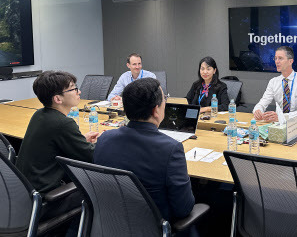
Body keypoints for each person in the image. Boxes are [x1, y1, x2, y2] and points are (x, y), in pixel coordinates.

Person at [94, 78, 195, 222]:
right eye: (164, 99)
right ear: (155, 110)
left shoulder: (104, 139)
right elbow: (183, 209)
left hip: (109, 224)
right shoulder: (171, 149)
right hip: (154, 228)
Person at [16, 71, 99, 218]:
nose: (79, 91)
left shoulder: (40, 114)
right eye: (73, 89)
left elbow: (56, 144)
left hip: (25, 194)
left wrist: (80, 140)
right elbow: (91, 156)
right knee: (98, 190)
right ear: (58, 99)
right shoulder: (63, 123)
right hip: (45, 201)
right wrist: (106, 140)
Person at [253, 46, 297, 121]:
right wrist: (257, 110)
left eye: (280, 58)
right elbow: (262, 103)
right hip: (278, 124)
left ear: (290, 61)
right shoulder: (273, 82)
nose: (277, 61)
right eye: (275, 58)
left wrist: (282, 117)